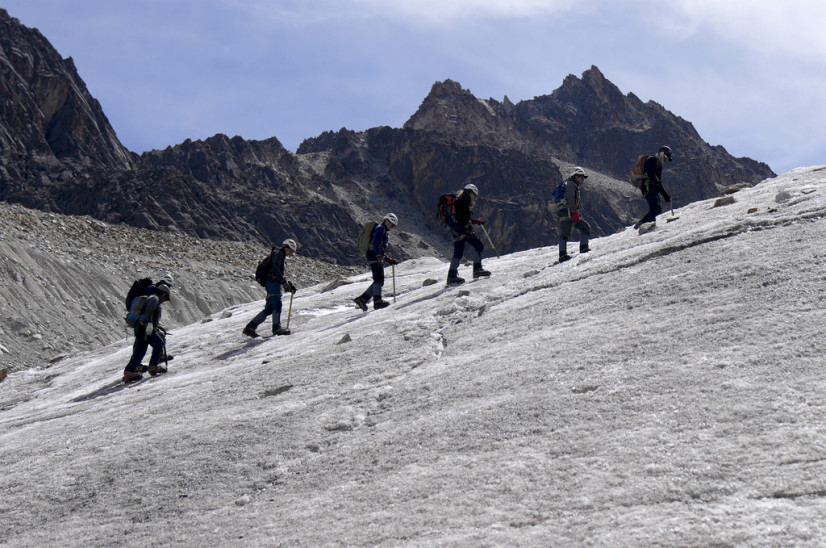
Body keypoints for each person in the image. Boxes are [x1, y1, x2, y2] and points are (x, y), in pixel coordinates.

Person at [243, 239, 298, 337]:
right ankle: (277, 329)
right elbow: (275, 270)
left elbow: (275, 270)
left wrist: (286, 283)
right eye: (291, 250)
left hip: (270, 282)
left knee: (269, 309)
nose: (291, 253)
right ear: (286, 247)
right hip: (273, 282)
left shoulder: (277, 254)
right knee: (277, 304)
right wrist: (283, 282)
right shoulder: (279, 254)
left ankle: (250, 327)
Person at [123, 283, 171, 383]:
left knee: (140, 351)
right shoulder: (154, 298)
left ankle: (128, 372)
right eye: (166, 297)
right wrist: (149, 323)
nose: (164, 300)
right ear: (163, 293)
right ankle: (153, 367)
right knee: (159, 344)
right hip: (145, 328)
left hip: (140, 327)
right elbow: (149, 310)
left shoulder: (151, 297)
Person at [446, 183, 490, 285]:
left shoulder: (458, 200)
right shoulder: (464, 201)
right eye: (474, 195)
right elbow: (465, 218)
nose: (474, 197)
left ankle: (451, 277)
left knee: (458, 253)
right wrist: (470, 225)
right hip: (463, 231)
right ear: (470, 193)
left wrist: (474, 221)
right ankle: (477, 269)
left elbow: (462, 217)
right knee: (479, 245)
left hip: (456, 231)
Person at [354, 214, 399, 311]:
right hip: (374, 256)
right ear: (386, 221)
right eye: (391, 224)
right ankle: (377, 302)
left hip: (373, 255)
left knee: (379, 280)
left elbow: (380, 247)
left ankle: (362, 299)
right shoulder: (380, 229)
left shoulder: (381, 230)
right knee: (378, 279)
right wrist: (378, 256)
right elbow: (375, 243)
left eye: (393, 226)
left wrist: (387, 259)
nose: (391, 227)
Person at [555, 167, 591, 262]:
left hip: (569, 211)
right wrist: (575, 212)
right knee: (565, 233)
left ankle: (583, 248)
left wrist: (575, 212)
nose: (583, 179)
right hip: (566, 212)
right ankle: (563, 256)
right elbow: (570, 199)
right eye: (581, 177)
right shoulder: (570, 184)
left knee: (585, 227)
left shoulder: (572, 184)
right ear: (576, 176)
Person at [634, 145, 673, 229]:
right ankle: (650, 225)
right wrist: (656, 184)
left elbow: (658, 181)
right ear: (662, 154)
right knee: (654, 207)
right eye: (666, 158)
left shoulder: (657, 162)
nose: (665, 160)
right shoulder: (652, 159)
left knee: (657, 209)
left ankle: (640, 224)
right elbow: (650, 174)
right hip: (648, 188)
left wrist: (665, 196)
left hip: (651, 188)